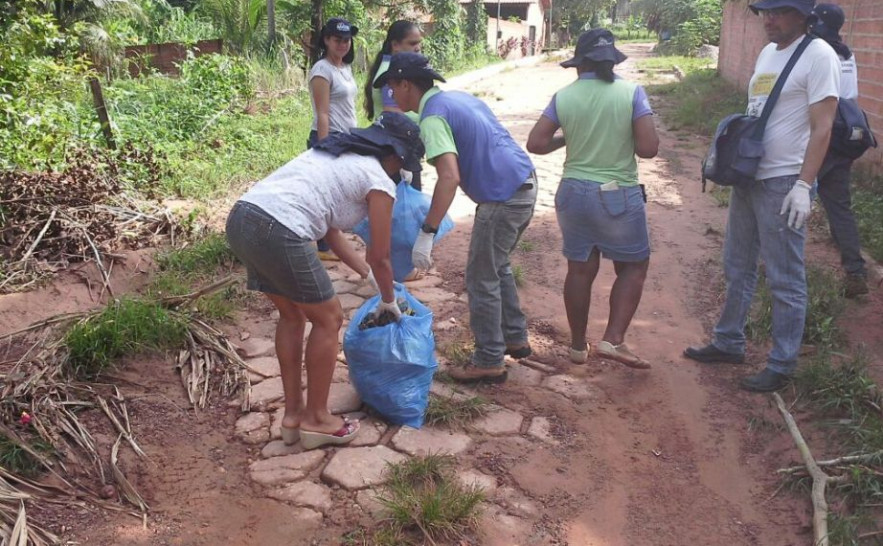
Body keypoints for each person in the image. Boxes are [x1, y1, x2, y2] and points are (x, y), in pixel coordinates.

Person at [225, 112, 425, 449]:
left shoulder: (340, 154)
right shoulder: (380, 181)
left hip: (244, 219)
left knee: (292, 316)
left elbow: (331, 233)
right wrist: (389, 301)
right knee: (329, 317)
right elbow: (382, 255)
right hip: (279, 228)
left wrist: (365, 275)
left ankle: (293, 418)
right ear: (394, 155)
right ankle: (318, 419)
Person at [684, 0, 840, 392]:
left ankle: (782, 363)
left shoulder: (819, 56)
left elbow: (823, 128)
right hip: (750, 176)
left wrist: (805, 185)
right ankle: (729, 340)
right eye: (763, 12)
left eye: (778, 11)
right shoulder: (768, 52)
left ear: (802, 15)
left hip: (785, 181)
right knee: (737, 263)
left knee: (785, 276)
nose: (767, 19)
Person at [375, 52, 537, 384]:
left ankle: (490, 359)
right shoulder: (456, 99)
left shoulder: (433, 118)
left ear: (406, 84)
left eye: (392, 85)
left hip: (502, 196)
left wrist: (427, 231)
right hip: (524, 184)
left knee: (481, 277)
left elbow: (449, 177)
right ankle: (513, 336)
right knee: (497, 265)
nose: (390, 92)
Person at [526, 29, 659, 369]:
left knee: (580, 269)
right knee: (633, 266)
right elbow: (648, 149)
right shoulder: (631, 93)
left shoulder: (563, 96)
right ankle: (613, 340)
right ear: (612, 61)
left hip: (572, 193)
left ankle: (576, 347)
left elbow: (537, 143)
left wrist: (568, 139)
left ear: (579, 64)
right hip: (617, 193)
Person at [809, 3, 869, 298]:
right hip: (845, 138)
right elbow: (851, 96)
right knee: (839, 207)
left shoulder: (818, 53)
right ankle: (855, 271)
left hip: (821, 138)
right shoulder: (847, 53)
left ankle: (774, 263)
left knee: (786, 196)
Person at [309, 17, 359, 261]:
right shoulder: (322, 69)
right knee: (325, 193)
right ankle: (323, 246)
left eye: (347, 40)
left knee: (339, 192)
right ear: (326, 40)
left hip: (346, 137)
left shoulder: (345, 68)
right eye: (338, 39)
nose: (343, 44)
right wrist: (325, 145)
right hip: (329, 137)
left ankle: (333, 238)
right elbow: (323, 113)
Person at [364, 20, 425, 193]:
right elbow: (394, 116)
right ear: (395, 45)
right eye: (412, 43)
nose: (417, 48)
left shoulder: (396, 68)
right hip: (397, 149)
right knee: (405, 208)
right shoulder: (390, 73)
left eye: (419, 43)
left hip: (402, 146)